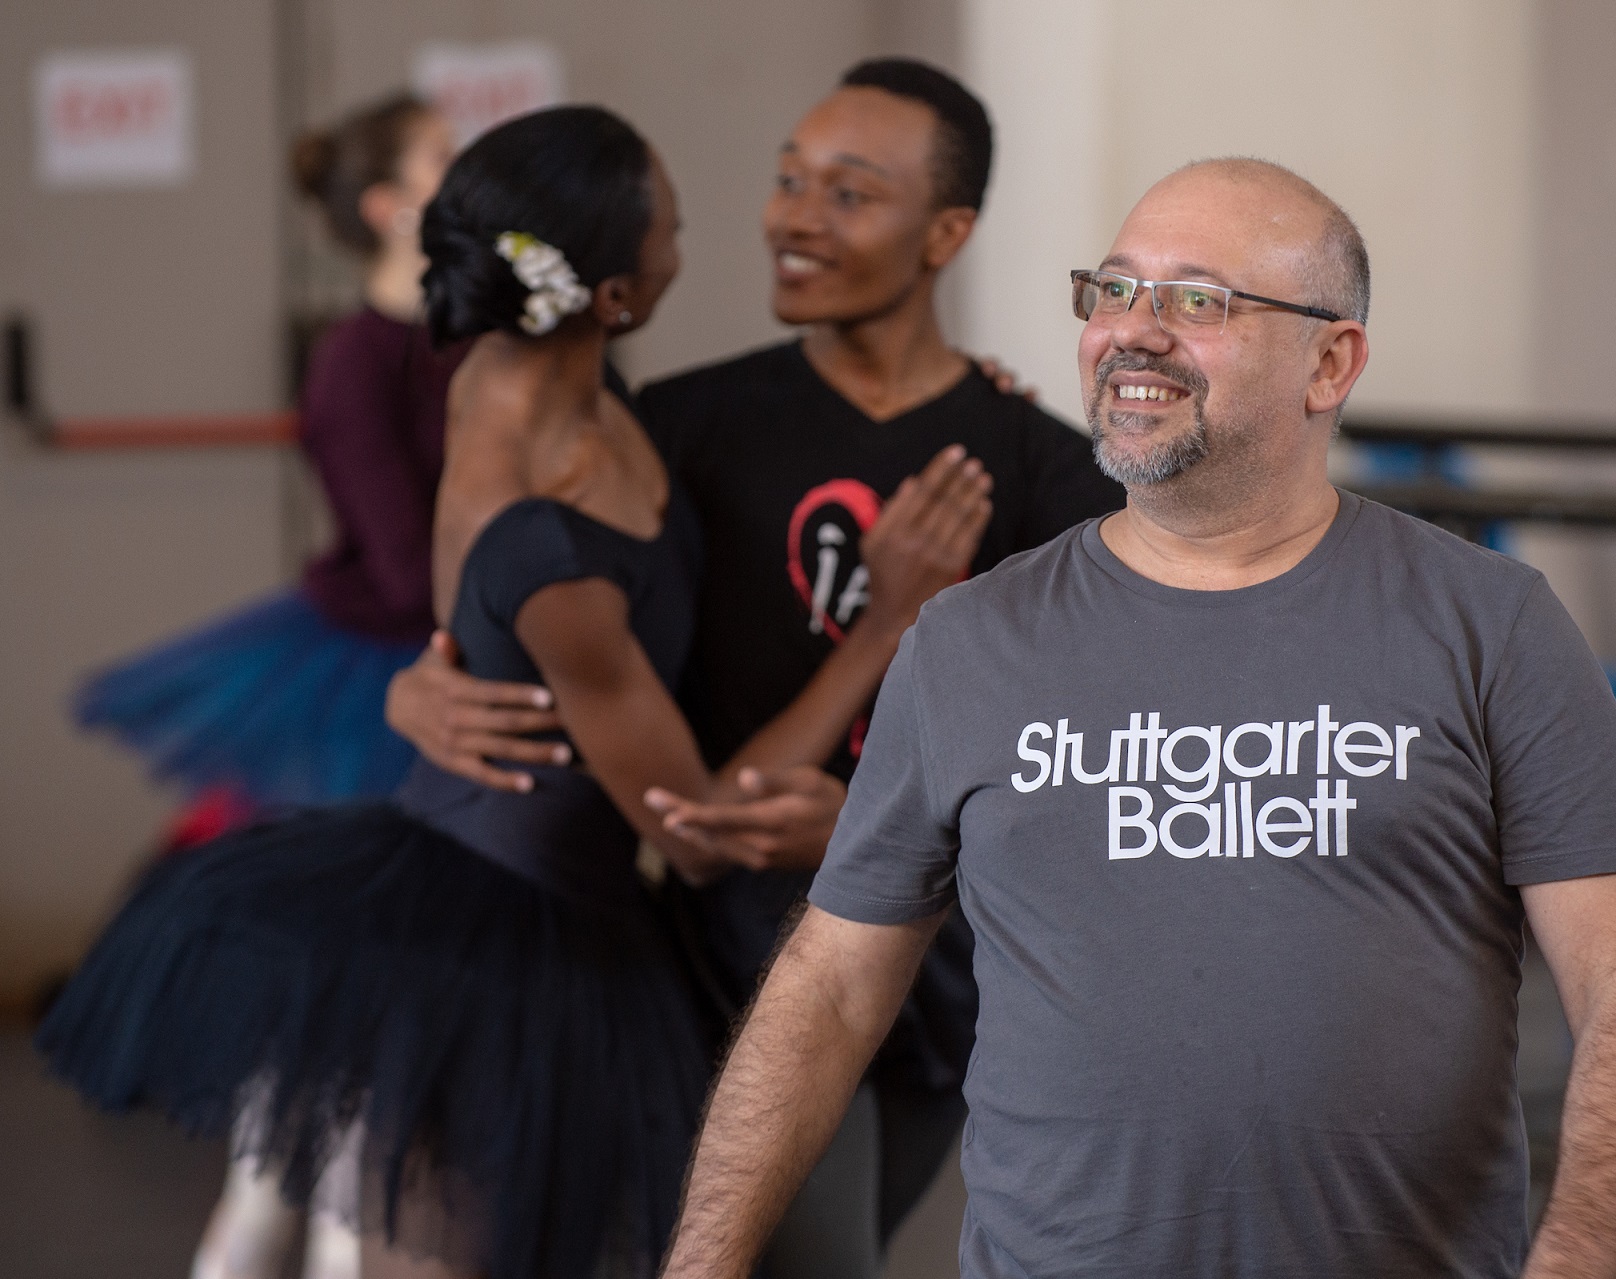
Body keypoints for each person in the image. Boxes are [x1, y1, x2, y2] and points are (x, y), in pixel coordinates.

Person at [658, 159, 1616, 1279]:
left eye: (1198, 300)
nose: (1134, 332)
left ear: (1330, 362)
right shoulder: (967, 641)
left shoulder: (1489, 622)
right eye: (1114, 290)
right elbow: (829, 984)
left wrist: (1573, 1262)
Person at [37, 105, 990, 1279]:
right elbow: (692, 829)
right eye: (672, 226)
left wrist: (965, 397)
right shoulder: (550, 543)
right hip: (496, 942)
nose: (696, 240)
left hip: (567, 903)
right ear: (614, 294)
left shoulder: (544, 376)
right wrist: (885, 626)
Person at [385, 58, 1124, 1273]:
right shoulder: (674, 429)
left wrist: (891, 826)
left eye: (849, 192)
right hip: (726, 962)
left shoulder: (1040, 467)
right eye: (789, 181)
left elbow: (1095, 761)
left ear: (947, 233)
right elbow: (534, 605)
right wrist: (422, 687)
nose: (794, 217)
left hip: (948, 977)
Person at [74, 95, 461, 853]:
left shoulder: (475, 339)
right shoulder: (356, 363)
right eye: (445, 158)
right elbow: (405, 567)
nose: (471, 174)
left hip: (461, 630)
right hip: (395, 649)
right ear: (389, 207)